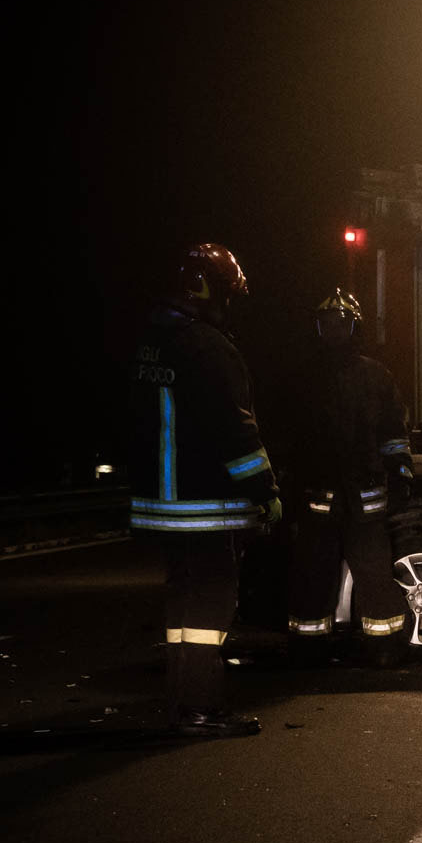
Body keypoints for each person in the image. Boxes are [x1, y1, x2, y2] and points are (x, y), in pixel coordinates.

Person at [127, 243, 280, 738]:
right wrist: (266, 490)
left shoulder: (150, 343)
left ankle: (181, 704)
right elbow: (236, 434)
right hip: (206, 505)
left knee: (182, 609)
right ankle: (200, 710)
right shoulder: (211, 348)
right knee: (210, 611)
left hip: (162, 506)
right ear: (212, 290)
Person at [285, 287, 413, 666]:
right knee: (313, 575)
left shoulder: (376, 376)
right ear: (317, 329)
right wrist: (290, 484)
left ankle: (385, 645)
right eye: (326, 324)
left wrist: (402, 470)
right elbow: (292, 437)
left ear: (354, 327)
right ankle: (310, 647)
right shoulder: (304, 378)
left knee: (374, 573)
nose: (333, 331)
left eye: (340, 323)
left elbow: (393, 431)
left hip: (364, 496)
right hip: (318, 496)